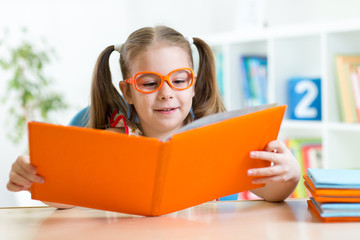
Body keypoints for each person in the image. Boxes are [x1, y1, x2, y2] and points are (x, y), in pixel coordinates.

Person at [7, 26, 300, 209]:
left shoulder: (223, 137)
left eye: (179, 80)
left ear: (193, 84)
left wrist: (290, 174)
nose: (166, 93)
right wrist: (36, 177)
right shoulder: (110, 141)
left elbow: (272, 193)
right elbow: (64, 200)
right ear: (128, 92)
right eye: (149, 83)